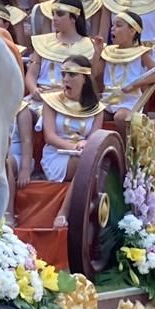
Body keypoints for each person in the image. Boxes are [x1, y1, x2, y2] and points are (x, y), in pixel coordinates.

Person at [39, 55, 105, 226]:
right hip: (56, 154)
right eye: (63, 74)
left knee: (89, 160)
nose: (66, 79)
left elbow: (94, 137)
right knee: (84, 161)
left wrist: (85, 144)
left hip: (83, 152)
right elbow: (50, 136)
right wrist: (74, 146)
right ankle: (63, 212)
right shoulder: (51, 102)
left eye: (72, 75)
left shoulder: (97, 108)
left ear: (84, 78)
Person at [91, 11, 155, 130]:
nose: (112, 29)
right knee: (93, 115)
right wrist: (97, 53)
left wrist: (135, 85)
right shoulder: (108, 52)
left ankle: (126, 147)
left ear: (132, 31)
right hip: (108, 100)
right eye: (112, 25)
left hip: (129, 101)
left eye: (118, 26)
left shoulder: (141, 52)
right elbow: (94, 73)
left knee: (120, 117)